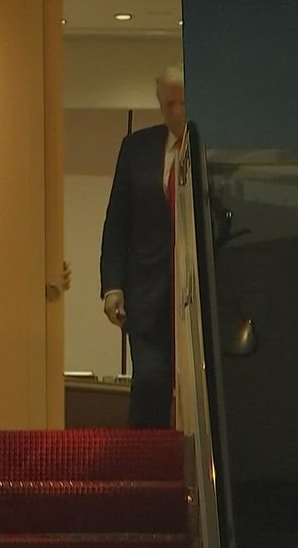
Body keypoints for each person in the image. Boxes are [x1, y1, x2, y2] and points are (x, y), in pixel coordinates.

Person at [99, 65, 186, 428]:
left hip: (197, 291)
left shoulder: (212, 146)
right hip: (147, 289)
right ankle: (143, 466)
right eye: (170, 104)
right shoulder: (136, 148)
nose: (177, 112)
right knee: (151, 381)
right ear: (160, 104)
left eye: (184, 103)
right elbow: (117, 222)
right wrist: (112, 286)